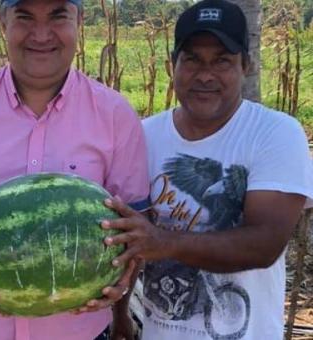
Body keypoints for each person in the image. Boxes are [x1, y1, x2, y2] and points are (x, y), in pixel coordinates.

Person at [0, 0, 150, 339]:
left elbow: (136, 223)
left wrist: (123, 279)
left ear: (79, 21)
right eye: (24, 17)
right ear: (3, 22)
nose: (40, 34)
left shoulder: (116, 116)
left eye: (57, 16)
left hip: (79, 331)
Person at [103, 1, 313, 339]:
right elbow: (127, 235)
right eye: (192, 60)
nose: (205, 75)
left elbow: (265, 243)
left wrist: (164, 242)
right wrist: (121, 313)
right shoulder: (143, 136)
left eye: (222, 61)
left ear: (247, 65)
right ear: (173, 65)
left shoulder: (275, 134)